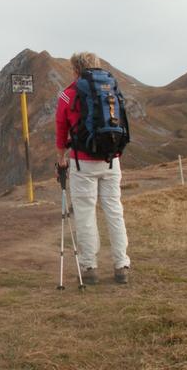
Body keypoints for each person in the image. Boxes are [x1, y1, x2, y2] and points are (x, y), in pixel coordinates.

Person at [55, 52, 131, 284]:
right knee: (114, 211)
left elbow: (61, 125)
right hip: (111, 159)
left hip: (83, 162)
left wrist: (61, 156)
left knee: (86, 214)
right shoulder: (111, 89)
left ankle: (89, 267)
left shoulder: (68, 95)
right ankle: (121, 266)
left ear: (75, 70)